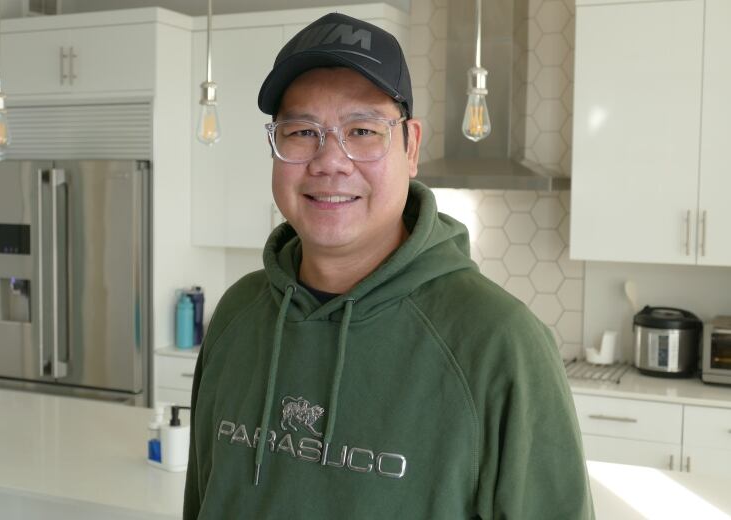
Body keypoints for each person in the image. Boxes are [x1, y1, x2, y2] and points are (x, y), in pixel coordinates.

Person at [183, 12, 594, 520]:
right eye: (302, 131)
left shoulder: (500, 343)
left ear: (411, 146)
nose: (330, 160)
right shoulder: (237, 314)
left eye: (362, 130)